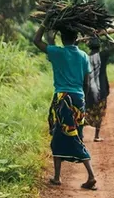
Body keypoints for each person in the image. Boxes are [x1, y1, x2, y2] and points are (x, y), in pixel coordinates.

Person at [33, 20, 97, 190]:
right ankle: (58, 176)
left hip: (62, 99)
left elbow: (36, 41)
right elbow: (86, 81)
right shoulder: (83, 55)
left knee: (59, 137)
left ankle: (88, 176)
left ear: (62, 38)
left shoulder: (57, 52)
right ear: (77, 37)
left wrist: (46, 23)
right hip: (78, 99)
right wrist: (83, 100)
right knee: (75, 135)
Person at [84, 36, 114, 142]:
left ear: (89, 46)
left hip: (88, 89)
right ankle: (96, 136)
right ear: (99, 46)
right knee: (100, 111)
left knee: (86, 111)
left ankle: (80, 134)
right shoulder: (103, 55)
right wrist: (105, 35)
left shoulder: (85, 57)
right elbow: (113, 44)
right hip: (101, 89)